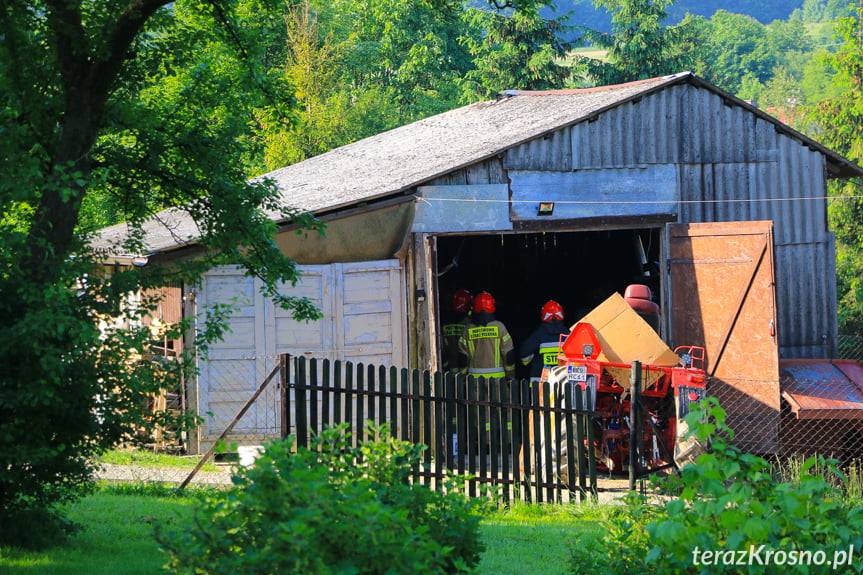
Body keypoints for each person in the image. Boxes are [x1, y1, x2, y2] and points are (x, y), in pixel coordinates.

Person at [458, 291, 515, 380]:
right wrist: (510, 376)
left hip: (474, 379)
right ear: (492, 306)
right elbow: (509, 355)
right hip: (497, 380)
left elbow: (463, 358)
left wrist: (463, 378)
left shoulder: (468, 330)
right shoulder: (500, 327)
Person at [519, 300, 570, 383]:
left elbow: (524, 356)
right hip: (563, 383)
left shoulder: (538, 335)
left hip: (540, 384)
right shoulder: (568, 335)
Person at [441, 288, 472, 372]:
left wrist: (445, 365)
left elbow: (441, 346)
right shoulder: (470, 323)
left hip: (448, 370)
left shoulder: (445, 323)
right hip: (467, 373)